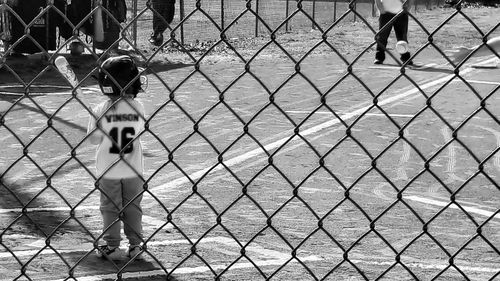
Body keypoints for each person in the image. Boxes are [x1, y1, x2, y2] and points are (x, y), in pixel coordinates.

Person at [87, 55, 146, 261]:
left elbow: (93, 140)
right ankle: (136, 245)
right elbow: (139, 130)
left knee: (110, 207)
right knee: (133, 207)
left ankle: (112, 246)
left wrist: (96, 118)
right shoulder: (138, 107)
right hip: (133, 168)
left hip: (108, 168)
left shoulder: (99, 110)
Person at [374, 0, 413, 65]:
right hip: (385, 12)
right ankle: (379, 57)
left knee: (402, 36)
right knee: (382, 36)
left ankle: (405, 57)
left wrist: (409, 5)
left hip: (402, 13)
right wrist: (379, 7)